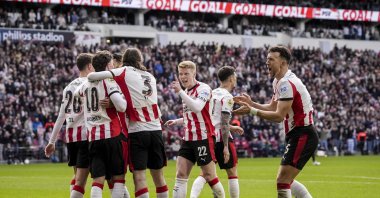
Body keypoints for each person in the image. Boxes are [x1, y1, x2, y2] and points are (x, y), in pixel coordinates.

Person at [233, 46, 318, 198]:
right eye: (267, 59)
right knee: (287, 180)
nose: (267, 62)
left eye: (271, 59)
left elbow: (278, 116)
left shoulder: (286, 83)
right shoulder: (279, 82)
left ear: (283, 63)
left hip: (302, 134)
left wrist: (251, 111)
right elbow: (273, 107)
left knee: (283, 181)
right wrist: (252, 104)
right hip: (297, 135)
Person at [87, 48, 168, 198]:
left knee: (140, 178)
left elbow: (92, 76)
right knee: (159, 178)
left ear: (125, 60)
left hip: (137, 130)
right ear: (140, 60)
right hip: (156, 130)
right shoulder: (150, 76)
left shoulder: (123, 71)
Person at [165, 61, 225, 198]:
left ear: (194, 73)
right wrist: (177, 121)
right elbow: (191, 116)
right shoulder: (186, 92)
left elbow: (197, 107)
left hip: (203, 138)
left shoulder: (203, 89)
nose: (183, 77)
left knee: (209, 175)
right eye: (181, 74)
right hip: (188, 138)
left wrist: (180, 92)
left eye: (186, 73)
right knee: (180, 174)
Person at [78, 50, 127, 198]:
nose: (113, 66)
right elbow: (122, 106)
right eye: (111, 63)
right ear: (107, 65)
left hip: (94, 137)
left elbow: (78, 94)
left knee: (98, 179)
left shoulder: (85, 84)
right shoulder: (108, 81)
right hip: (111, 135)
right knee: (118, 177)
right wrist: (115, 101)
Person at [190, 66, 244, 198]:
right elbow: (223, 123)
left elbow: (213, 119)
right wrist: (225, 146)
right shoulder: (228, 97)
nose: (236, 79)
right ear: (231, 78)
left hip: (208, 136)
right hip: (220, 138)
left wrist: (232, 127)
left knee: (205, 174)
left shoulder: (210, 92)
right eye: (235, 76)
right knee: (232, 172)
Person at [44, 53, 93, 198]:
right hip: (86, 134)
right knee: (85, 180)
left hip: (71, 137)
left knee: (77, 177)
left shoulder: (68, 87)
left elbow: (61, 115)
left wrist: (51, 141)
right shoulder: (90, 84)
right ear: (90, 66)